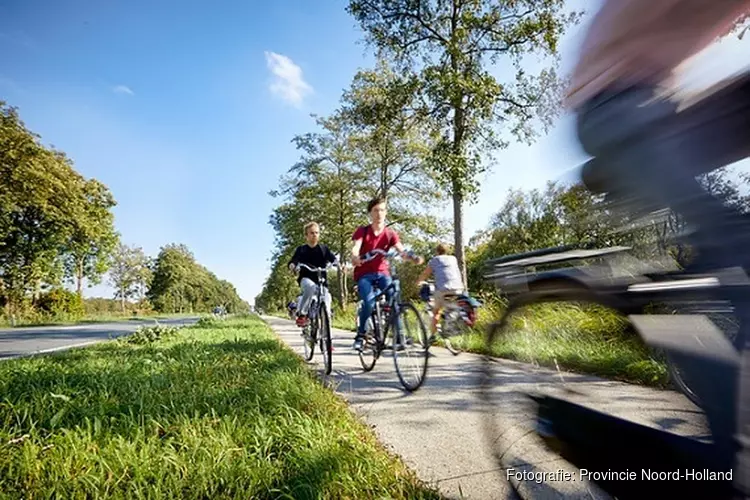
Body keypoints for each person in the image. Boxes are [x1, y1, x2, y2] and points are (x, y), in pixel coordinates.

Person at [566, 0, 750, 491]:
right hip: (615, 107)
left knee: (728, 252)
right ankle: (717, 461)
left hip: (657, 105)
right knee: (733, 245)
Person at [351, 196, 423, 350]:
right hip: (364, 274)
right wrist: (355, 256)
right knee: (369, 302)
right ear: (370, 213)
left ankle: (399, 335)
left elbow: (401, 250)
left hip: (383, 273)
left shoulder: (390, 234)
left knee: (394, 296)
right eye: (375, 210)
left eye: (382, 210)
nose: (379, 214)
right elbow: (356, 247)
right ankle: (360, 335)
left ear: (386, 212)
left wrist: (412, 257)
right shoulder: (362, 231)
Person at [288, 222, 337, 327]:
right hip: (306, 278)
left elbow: (333, 259)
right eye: (311, 233)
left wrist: (338, 264)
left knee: (327, 299)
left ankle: (326, 337)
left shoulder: (324, 249)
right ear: (306, 236)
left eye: (317, 232)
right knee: (310, 287)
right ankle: (303, 314)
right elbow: (294, 260)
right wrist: (293, 265)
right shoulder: (301, 249)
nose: (314, 235)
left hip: (322, 281)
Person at [417, 243, 465, 338]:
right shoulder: (453, 258)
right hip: (458, 288)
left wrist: (419, 281)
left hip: (444, 289)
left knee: (436, 311)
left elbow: (426, 273)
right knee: (451, 307)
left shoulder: (434, 260)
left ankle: (432, 336)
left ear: (437, 251)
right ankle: (450, 324)